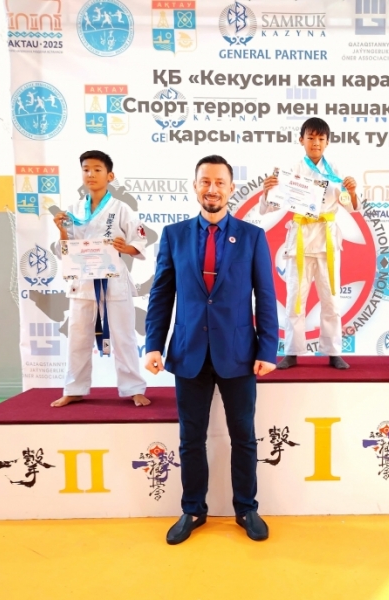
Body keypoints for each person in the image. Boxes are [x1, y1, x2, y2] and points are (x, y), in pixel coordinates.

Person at [144, 155, 279, 544]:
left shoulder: (252, 237)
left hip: (239, 353)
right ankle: (192, 509)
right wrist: (153, 345)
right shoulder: (174, 235)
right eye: (205, 181)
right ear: (195, 186)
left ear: (231, 188)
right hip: (189, 353)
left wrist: (268, 349)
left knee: (244, 437)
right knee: (190, 439)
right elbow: (161, 295)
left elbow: (265, 296)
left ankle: (246, 508)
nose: (212, 189)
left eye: (220, 182)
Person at [51, 150, 150, 407]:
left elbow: (139, 241)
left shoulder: (122, 209)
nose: (91, 174)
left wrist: (125, 247)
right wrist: (62, 231)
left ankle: (133, 388)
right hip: (83, 283)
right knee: (78, 337)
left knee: (124, 336)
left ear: (110, 176)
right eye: (86, 169)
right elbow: (67, 251)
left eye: (97, 169)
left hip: (113, 281)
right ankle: (74, 388)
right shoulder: (72, 210)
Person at [261, 117, 359, 370]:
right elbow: (269, 206)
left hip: (327, 241)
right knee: (295, 298)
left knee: (331, 299)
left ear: (327, 142)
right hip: (300, 242)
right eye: (311, 138)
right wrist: (268, 190)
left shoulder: (335, 170)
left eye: (321, 138)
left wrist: (352, 191)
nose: (316, 143)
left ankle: (333, 351)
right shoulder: (291, 171)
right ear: (301, 140)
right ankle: (292, 351)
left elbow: (350, 206)